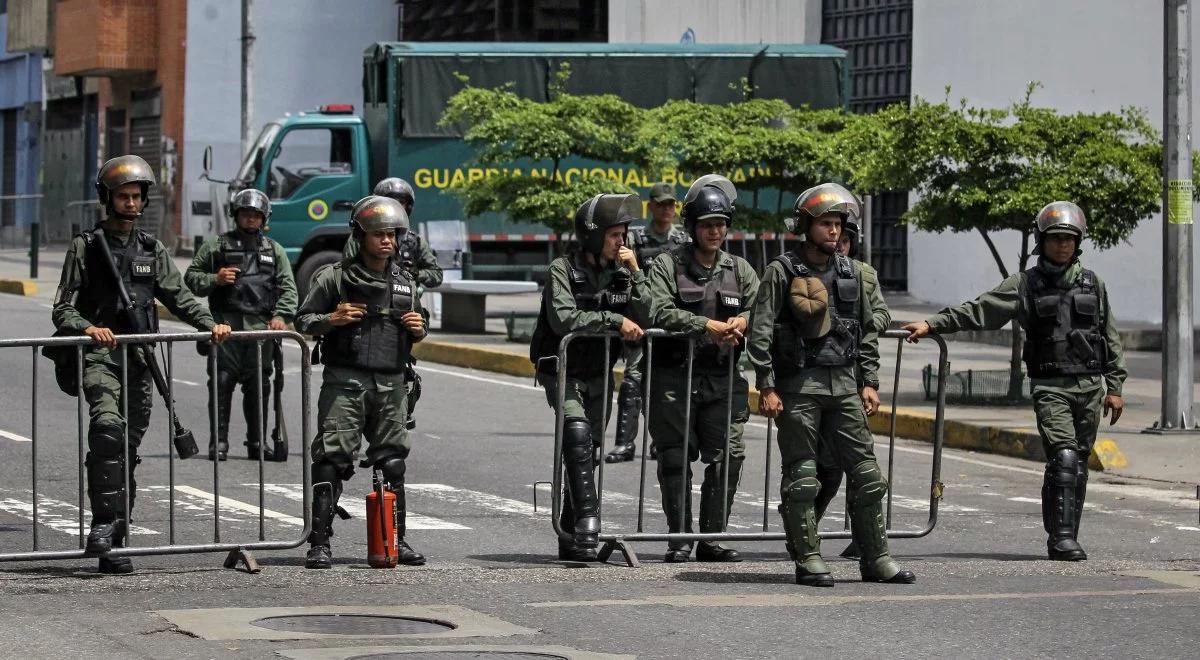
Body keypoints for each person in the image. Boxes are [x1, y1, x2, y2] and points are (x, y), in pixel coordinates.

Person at [902, 201, 1126, 562]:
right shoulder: (1024, 285)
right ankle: (1063, 539)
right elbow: (980, 309)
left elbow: (1109, 337)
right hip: (1051, 386)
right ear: (1042, 241)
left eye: (1069, 239)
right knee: (1064, 456)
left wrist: (1114, 387)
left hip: (1089, 387)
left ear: (1079, 241)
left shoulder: (1093, 284)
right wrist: (933, 324)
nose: (1063, 245)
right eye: (1055, 239)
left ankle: (1064, 531)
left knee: (1078, 463)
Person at [52, 155, 231, 574]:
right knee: (108, 432)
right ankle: (100, 524)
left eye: (136, 196)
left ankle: (115, 541)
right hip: (101, 355)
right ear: (107, 198)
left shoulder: (152, 249)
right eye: (123, 196)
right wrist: (88, 327)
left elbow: (179, 297)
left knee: (127, 451)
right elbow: (62, 308)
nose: (131, 204)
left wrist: (210, 323)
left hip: (141, 360)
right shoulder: (86, 247)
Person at [748, 182, 915, 587]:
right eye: (826, 223)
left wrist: (870, 381)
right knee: (804, 477)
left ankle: (876, 558)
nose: (834, 231)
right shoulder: (781, 272)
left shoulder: (855, 273)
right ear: (807, 226)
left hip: (844, 387)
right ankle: (807, 558)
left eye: (839, 224)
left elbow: (868, 331)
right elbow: (761, 331)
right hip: (799, 388)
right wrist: (767, 386)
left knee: (869, 475)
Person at [296, 195, 428, 569]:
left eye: (392, 234)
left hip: (392, 384)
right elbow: (303, 320)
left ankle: (395, 540)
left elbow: (421, 324)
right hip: (345, 382)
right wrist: (332, 319)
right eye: (378, 234)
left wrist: (420, 329)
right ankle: (319, 543)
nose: (387, 241)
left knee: (392, 464)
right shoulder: (334, 278)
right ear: (361, 236)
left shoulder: (405, 282)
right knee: (331, 461)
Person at [632, 174, 759, 563]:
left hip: (722, 378)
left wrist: (745, 321)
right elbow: (656, 309)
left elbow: (763, 309)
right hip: (673, 378)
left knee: (728, 457)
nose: (715, 231)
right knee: (674, 458)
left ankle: (711, 537)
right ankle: (680, 536)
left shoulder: (740, 270)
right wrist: (705, 325)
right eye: (707, 225)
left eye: (721, 224)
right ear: (692, 227)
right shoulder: (668, 265)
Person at [529, 193, 648, 561]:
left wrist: (638, 274)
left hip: (599, 370)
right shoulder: (561, 270)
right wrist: (614, 320)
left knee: (587, 452)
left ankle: (570, 534)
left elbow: (648, 315)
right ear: (595, 236)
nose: (622, 242)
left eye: (624, 234)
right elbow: (564, 318)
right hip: (562, 368)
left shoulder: (622, 272)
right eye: (615, 235)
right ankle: (589, 522)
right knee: (577, 436)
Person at [186, 189, 297, 460]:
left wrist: (281, 316)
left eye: (256, 215)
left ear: (264, 218)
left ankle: (257, 444)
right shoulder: (217, 245)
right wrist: (215, 279)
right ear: (236, 215)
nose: (250, 219)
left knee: (259, 386)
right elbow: (191, 277)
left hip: (260, 332)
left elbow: (288, 289)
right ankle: (219, 443)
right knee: (221, 384)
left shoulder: (275, 250)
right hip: (226, 329)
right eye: (245, 214)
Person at [343, 177, 441, 431]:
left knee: (400, 364)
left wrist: (411, 278)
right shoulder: (360, 238)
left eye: (402, 204)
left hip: (402, 306)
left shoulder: (414, 241)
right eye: (391, 203)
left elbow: (436, 273)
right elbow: (347, 269)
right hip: (369, 309)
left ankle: (397, 416)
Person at [606, 182, 691, 463]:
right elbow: (620, 277)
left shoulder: (683, 242)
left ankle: (662, 442)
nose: (667, 209)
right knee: (633, 379)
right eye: (662, 204)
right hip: (640, 322)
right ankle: (624, 443)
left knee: (666, 386)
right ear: (651, 206)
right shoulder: (636, 241)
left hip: (669, 323)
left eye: (671, 204)